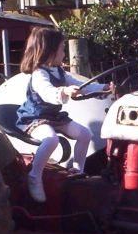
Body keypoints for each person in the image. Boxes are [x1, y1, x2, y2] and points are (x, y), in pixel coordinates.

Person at [15, 28, 112, 202]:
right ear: (49, 51)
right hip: (35, 118)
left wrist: (102, 88)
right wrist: (65, 91)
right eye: (61, 49)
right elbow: (47, 93)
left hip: (53, 118)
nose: (64, 53)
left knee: (85, 134)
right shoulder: (39, 74)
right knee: (51, 139)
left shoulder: (59, 71)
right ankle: (35, 176)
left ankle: (77, 171)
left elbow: (80, 86)